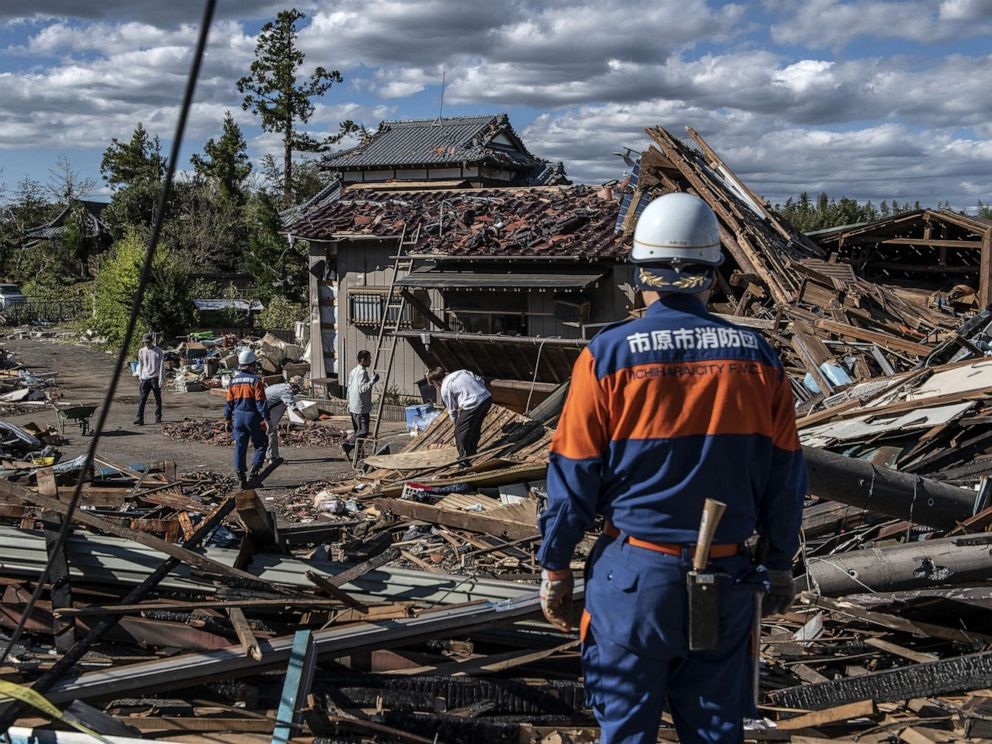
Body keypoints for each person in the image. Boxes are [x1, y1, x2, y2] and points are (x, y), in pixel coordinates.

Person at [537, 192, 807, 744]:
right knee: (713, 731)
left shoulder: (608, 355)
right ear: (713, 274)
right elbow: (787, 479)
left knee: (627, 733)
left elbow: (573, 477)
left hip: (636, 579)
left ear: (642, 274)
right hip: (728, 580)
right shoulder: (759, 357)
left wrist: (556, 565)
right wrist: (778, 563)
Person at [223, 349, 270, 488]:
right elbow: (260, 402)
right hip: (252, 416)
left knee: (240, 446)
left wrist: (227, 419)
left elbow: (228, 403)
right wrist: (266, 419)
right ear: (251, 365)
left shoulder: (233, 382)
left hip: (238, 417)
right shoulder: (255, 381)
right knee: (261, 444)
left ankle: (241, 477)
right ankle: (254, 472)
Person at [427, 367, 492, 460]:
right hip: (486, 398)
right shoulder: (461, 372)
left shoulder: (445, 387)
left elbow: (452, 411)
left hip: (472, 404)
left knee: (460, 434)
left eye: (433, 384)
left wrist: (457, 425)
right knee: (475, 426)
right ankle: (472, 450)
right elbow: (480, 379)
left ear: (435, 381)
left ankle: (464, 460)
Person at [343, 350, 379, 458]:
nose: (370, 361)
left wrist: (348, 402)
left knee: (359, 430)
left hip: (354, 406)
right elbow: (362, 389)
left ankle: (359, 454)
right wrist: (372, 381)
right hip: (360, 407)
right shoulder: (362, 373)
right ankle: (349, 444)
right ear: (363, 360)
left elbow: (349, 388)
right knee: (363, 431)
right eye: (368, 359)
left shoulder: (353, 371)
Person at [265, 375, 303, 466]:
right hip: (266, 412)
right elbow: (294, 409)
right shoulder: (286, 392)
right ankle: (271, 457)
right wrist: (305, 420)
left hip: (267, 411)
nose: (298, 392)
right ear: (294, 387)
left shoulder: (282, 386)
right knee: (271, 433)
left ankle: (273, 456)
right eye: (298, 389)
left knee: (272, 433)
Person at [134, 332, 165, 426]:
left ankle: (158, 416)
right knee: (142, 398)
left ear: (152, 341)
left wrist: (161, 379)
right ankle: (140, 418)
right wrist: (140, 375)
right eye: (145, 342)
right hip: (145, 377)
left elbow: (161, 365)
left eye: (148, 342)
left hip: (155, 377)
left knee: (157, 398)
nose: (146, 344)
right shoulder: (141, 351)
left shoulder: (158, 351)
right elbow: (140, 364)